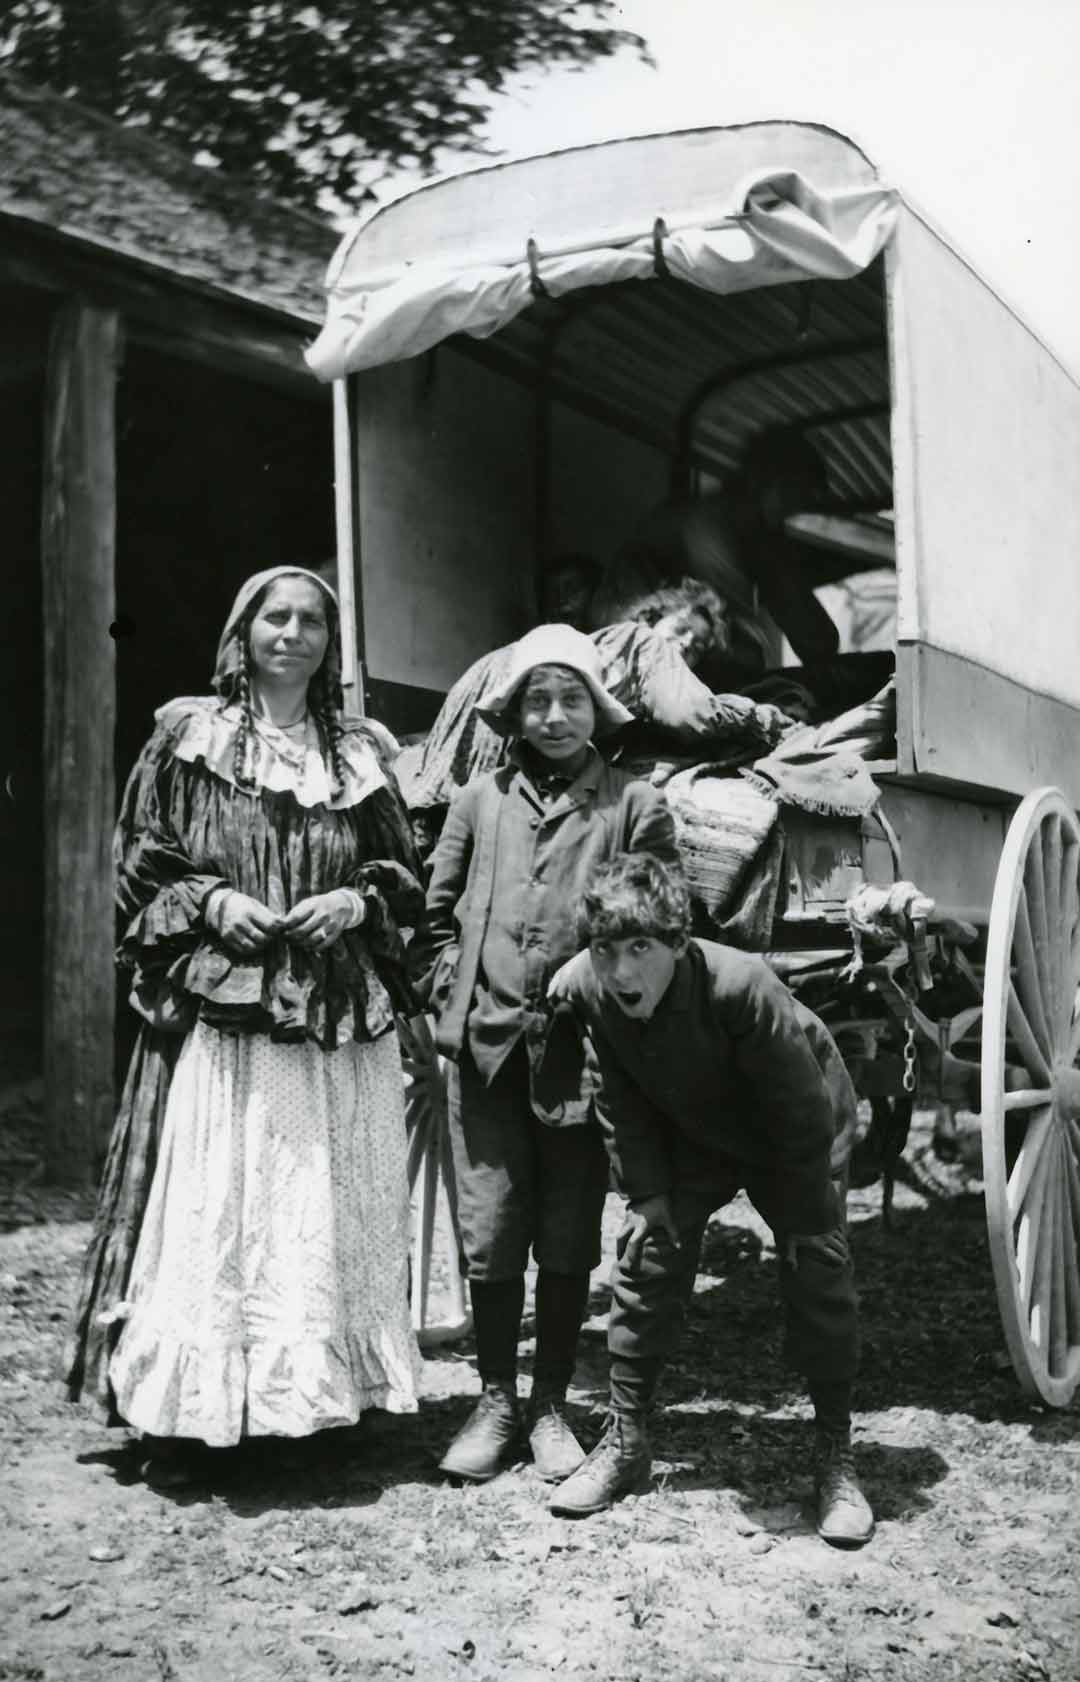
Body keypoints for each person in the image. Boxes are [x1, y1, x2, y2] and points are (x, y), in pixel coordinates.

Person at [65, 566, 425, 1474]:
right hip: (231, 1013)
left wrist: (355, 901)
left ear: (328, 645)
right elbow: (140, 857)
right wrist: (212, 900)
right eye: (277, 617)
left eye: (312, 621)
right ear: (244, 632)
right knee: (219, 1204)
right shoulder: (193, 737)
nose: (293, 633)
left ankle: (315, 1406)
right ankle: (190, 1417)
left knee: (317, 1203)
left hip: (332, 1014)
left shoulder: (363, 752)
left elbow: (404, 874)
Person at [408, 624, 679, 1485]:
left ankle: (552, 1401)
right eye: (538, 700)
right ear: (515, 715)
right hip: (486, 1052)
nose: (555, 716)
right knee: (491, 1233)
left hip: (583, 1059)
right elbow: (430, 919)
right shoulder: (477, 803)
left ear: (597, 711)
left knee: (566, 1235)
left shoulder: (631, 806)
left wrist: (591, 959)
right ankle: (495, 1400)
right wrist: (460, 982)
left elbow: (663, 922)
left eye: (572, 700)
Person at [544, 852, 873, 1547]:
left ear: (679, 944)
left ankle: (836, 1457)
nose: (622, 969)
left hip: (791, 1127)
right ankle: (628, 1445)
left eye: (641, 948)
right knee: (644, 1257)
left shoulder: (742, 987)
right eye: (606, 949)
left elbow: (800, 1110)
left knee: (816, 1267)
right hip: (691, 1130)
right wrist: (647, 1195)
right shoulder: (588, 991)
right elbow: (618, 1096)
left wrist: (803, 1215)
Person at [404, 574, 788, 818]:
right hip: (507, 695)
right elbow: (690, 714)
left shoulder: (605, 645)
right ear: (654, 616)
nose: (688, 645)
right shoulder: (645, 642)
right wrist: (761, 718)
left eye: (700, 646)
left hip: (488, 688)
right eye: (684, 628)